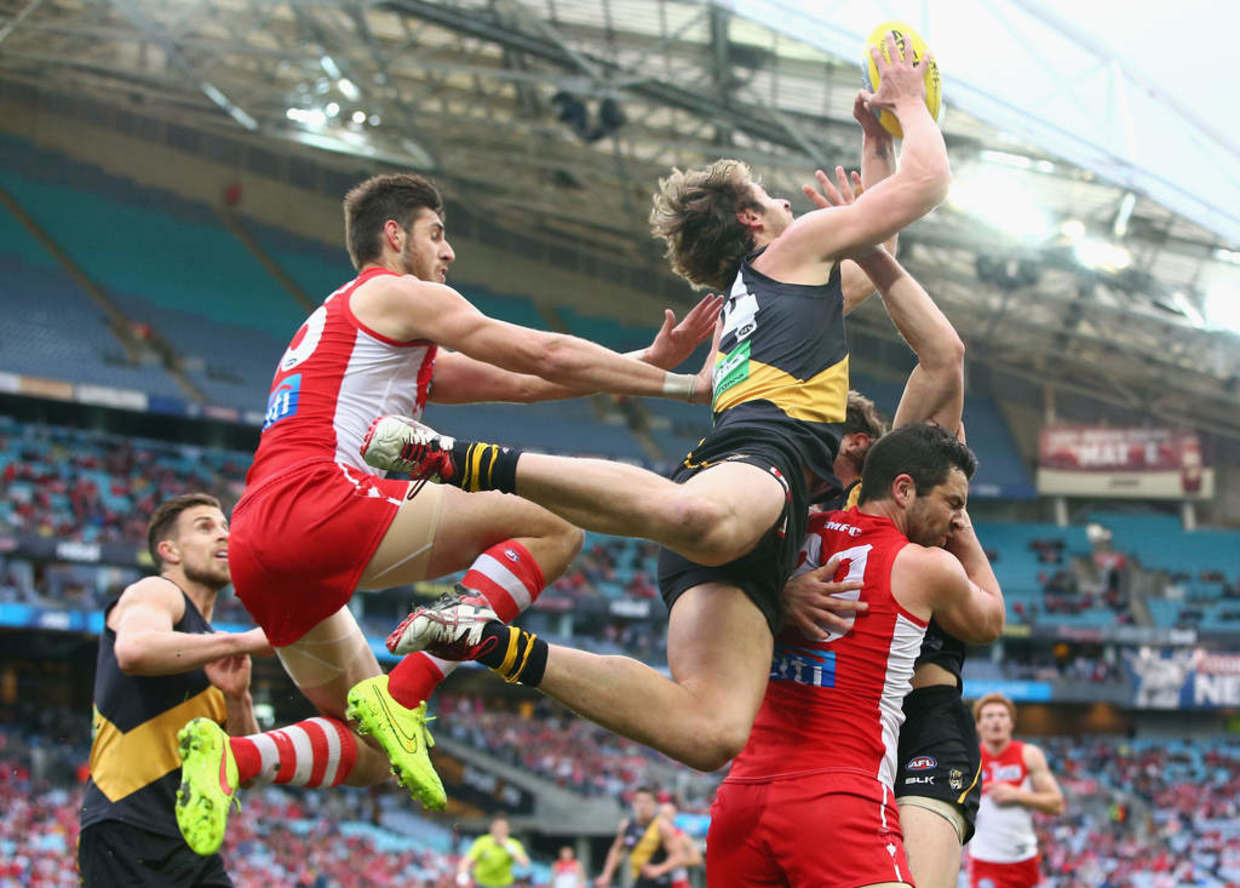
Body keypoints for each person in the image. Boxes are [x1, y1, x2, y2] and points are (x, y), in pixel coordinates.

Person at [364, 35, 952, 773]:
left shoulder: (769, 291)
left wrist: (876, 145)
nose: (784, 202)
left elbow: (881, 237)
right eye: (771, 197)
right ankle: (454, 457)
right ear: (748, 219)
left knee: (709, 733)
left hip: (760, 514)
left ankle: (487, 640)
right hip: (753, 465)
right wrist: (906, 108)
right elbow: (927, 186)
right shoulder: (793, 251)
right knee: (696, 518)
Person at [174, 171, 722, 855]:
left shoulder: (359, 328)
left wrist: (640, 360)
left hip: (261, 537)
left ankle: (235, 760)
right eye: (438, 233)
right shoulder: (392, 293)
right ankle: (409, 692)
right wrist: (678, 384)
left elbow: (524, 381)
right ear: (394, 236)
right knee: (555, 522)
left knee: (372, 756)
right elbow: (540, 348)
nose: (450, 251)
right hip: (318, 502)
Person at [786, 168, 1002, 888]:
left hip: (923, 722)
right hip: (830, 728)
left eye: (848, 432)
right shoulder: (817, 519)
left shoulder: (913, 494)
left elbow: (942, 355)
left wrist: (874, 234)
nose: (836, 443)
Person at [708, 422, 999, 887]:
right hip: (839, 793)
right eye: (953, 503)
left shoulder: (792, 537)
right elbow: (990, 620)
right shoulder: (924, 565)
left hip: (741, 798)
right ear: (903, 490)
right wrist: (964, 533)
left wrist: (775, 594)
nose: (955, 518)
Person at [77, 494, 271, 886]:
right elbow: (133, 650)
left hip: (191, 846)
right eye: (205, 527)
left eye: (225, 527)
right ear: (170, 551)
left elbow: (246, 775)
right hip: (125, 829)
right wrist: (238, 642)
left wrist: (238, 698)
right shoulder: (158, 592)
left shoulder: (212, 649)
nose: (223, 536)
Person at [968, 694, 1065, 888]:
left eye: (1002, 715)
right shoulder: (969, 760)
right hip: (984, 860)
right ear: (978, 725)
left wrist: (1018, 795)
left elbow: (1057, 805)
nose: (996, 720)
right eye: (989, 716)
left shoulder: (1029, 754)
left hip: (1023, 859)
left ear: (1011, 723)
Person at [595, 787, 686, 888]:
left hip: (661, 883)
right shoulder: (627, 826)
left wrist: (659, 869)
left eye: (647, 802)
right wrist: (606, 874)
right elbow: (616, 851)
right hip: (639, 881)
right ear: (634, 804)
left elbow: (679, 856)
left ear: (654, 804)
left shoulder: (662, 826)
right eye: (639, 802)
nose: (643, 806)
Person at [458, 817, 529, 888]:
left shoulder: (513, 844)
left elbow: (524, 863)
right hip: (482, 884)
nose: (500, 832)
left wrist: (508, 846)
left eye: (503, 829)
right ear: (492, 830)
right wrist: (463, 875)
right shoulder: (482, 842)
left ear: (508, 831)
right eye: (497, 829)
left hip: (504, 885)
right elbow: (467, 861)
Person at [658, 801, 701, 888]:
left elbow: (697, 859)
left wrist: (675, 862)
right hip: (656, 880)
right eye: (662, 815)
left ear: (674, 815)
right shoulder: (654, 835)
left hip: (677, 881)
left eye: (667, 815)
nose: (664, 818)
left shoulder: (681, 835)